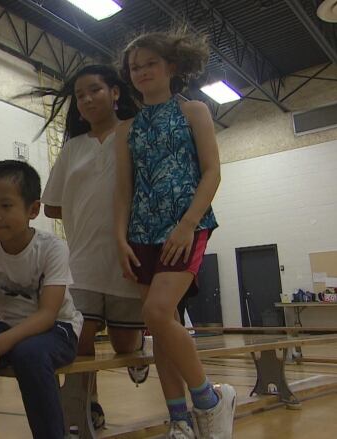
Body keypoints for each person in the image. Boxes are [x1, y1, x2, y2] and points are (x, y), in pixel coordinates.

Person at [115, 30, 234, 439]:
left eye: (150, 63)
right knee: (161, 330)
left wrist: (186, 225)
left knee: (157, 313)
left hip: (188, 227)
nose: (142, 71)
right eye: (135, 66)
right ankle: (179, 420)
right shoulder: (126, 128)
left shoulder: (194, 112)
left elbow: (213, 171)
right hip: (142, 232)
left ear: (171, 67)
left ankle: (210, 401)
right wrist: (120, 238)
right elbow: (123, 189)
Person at [35, 64, 148, 430]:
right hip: (81, 261)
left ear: (115, 92)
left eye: (94, 90)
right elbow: (51, 204)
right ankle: (87, 404)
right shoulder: (72, 148)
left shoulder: (134, 134)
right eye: (79, 95)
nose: (85, 99)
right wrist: (85, 200)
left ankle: (138, 353)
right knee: (78, 339)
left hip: (127, 258)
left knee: (124, 345)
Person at [0, 160, 83, 439]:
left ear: (33, 209)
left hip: (58, 329)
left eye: (6, 206)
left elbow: (47, 315)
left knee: (29, 354)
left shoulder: (52, 249)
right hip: (10, 330)